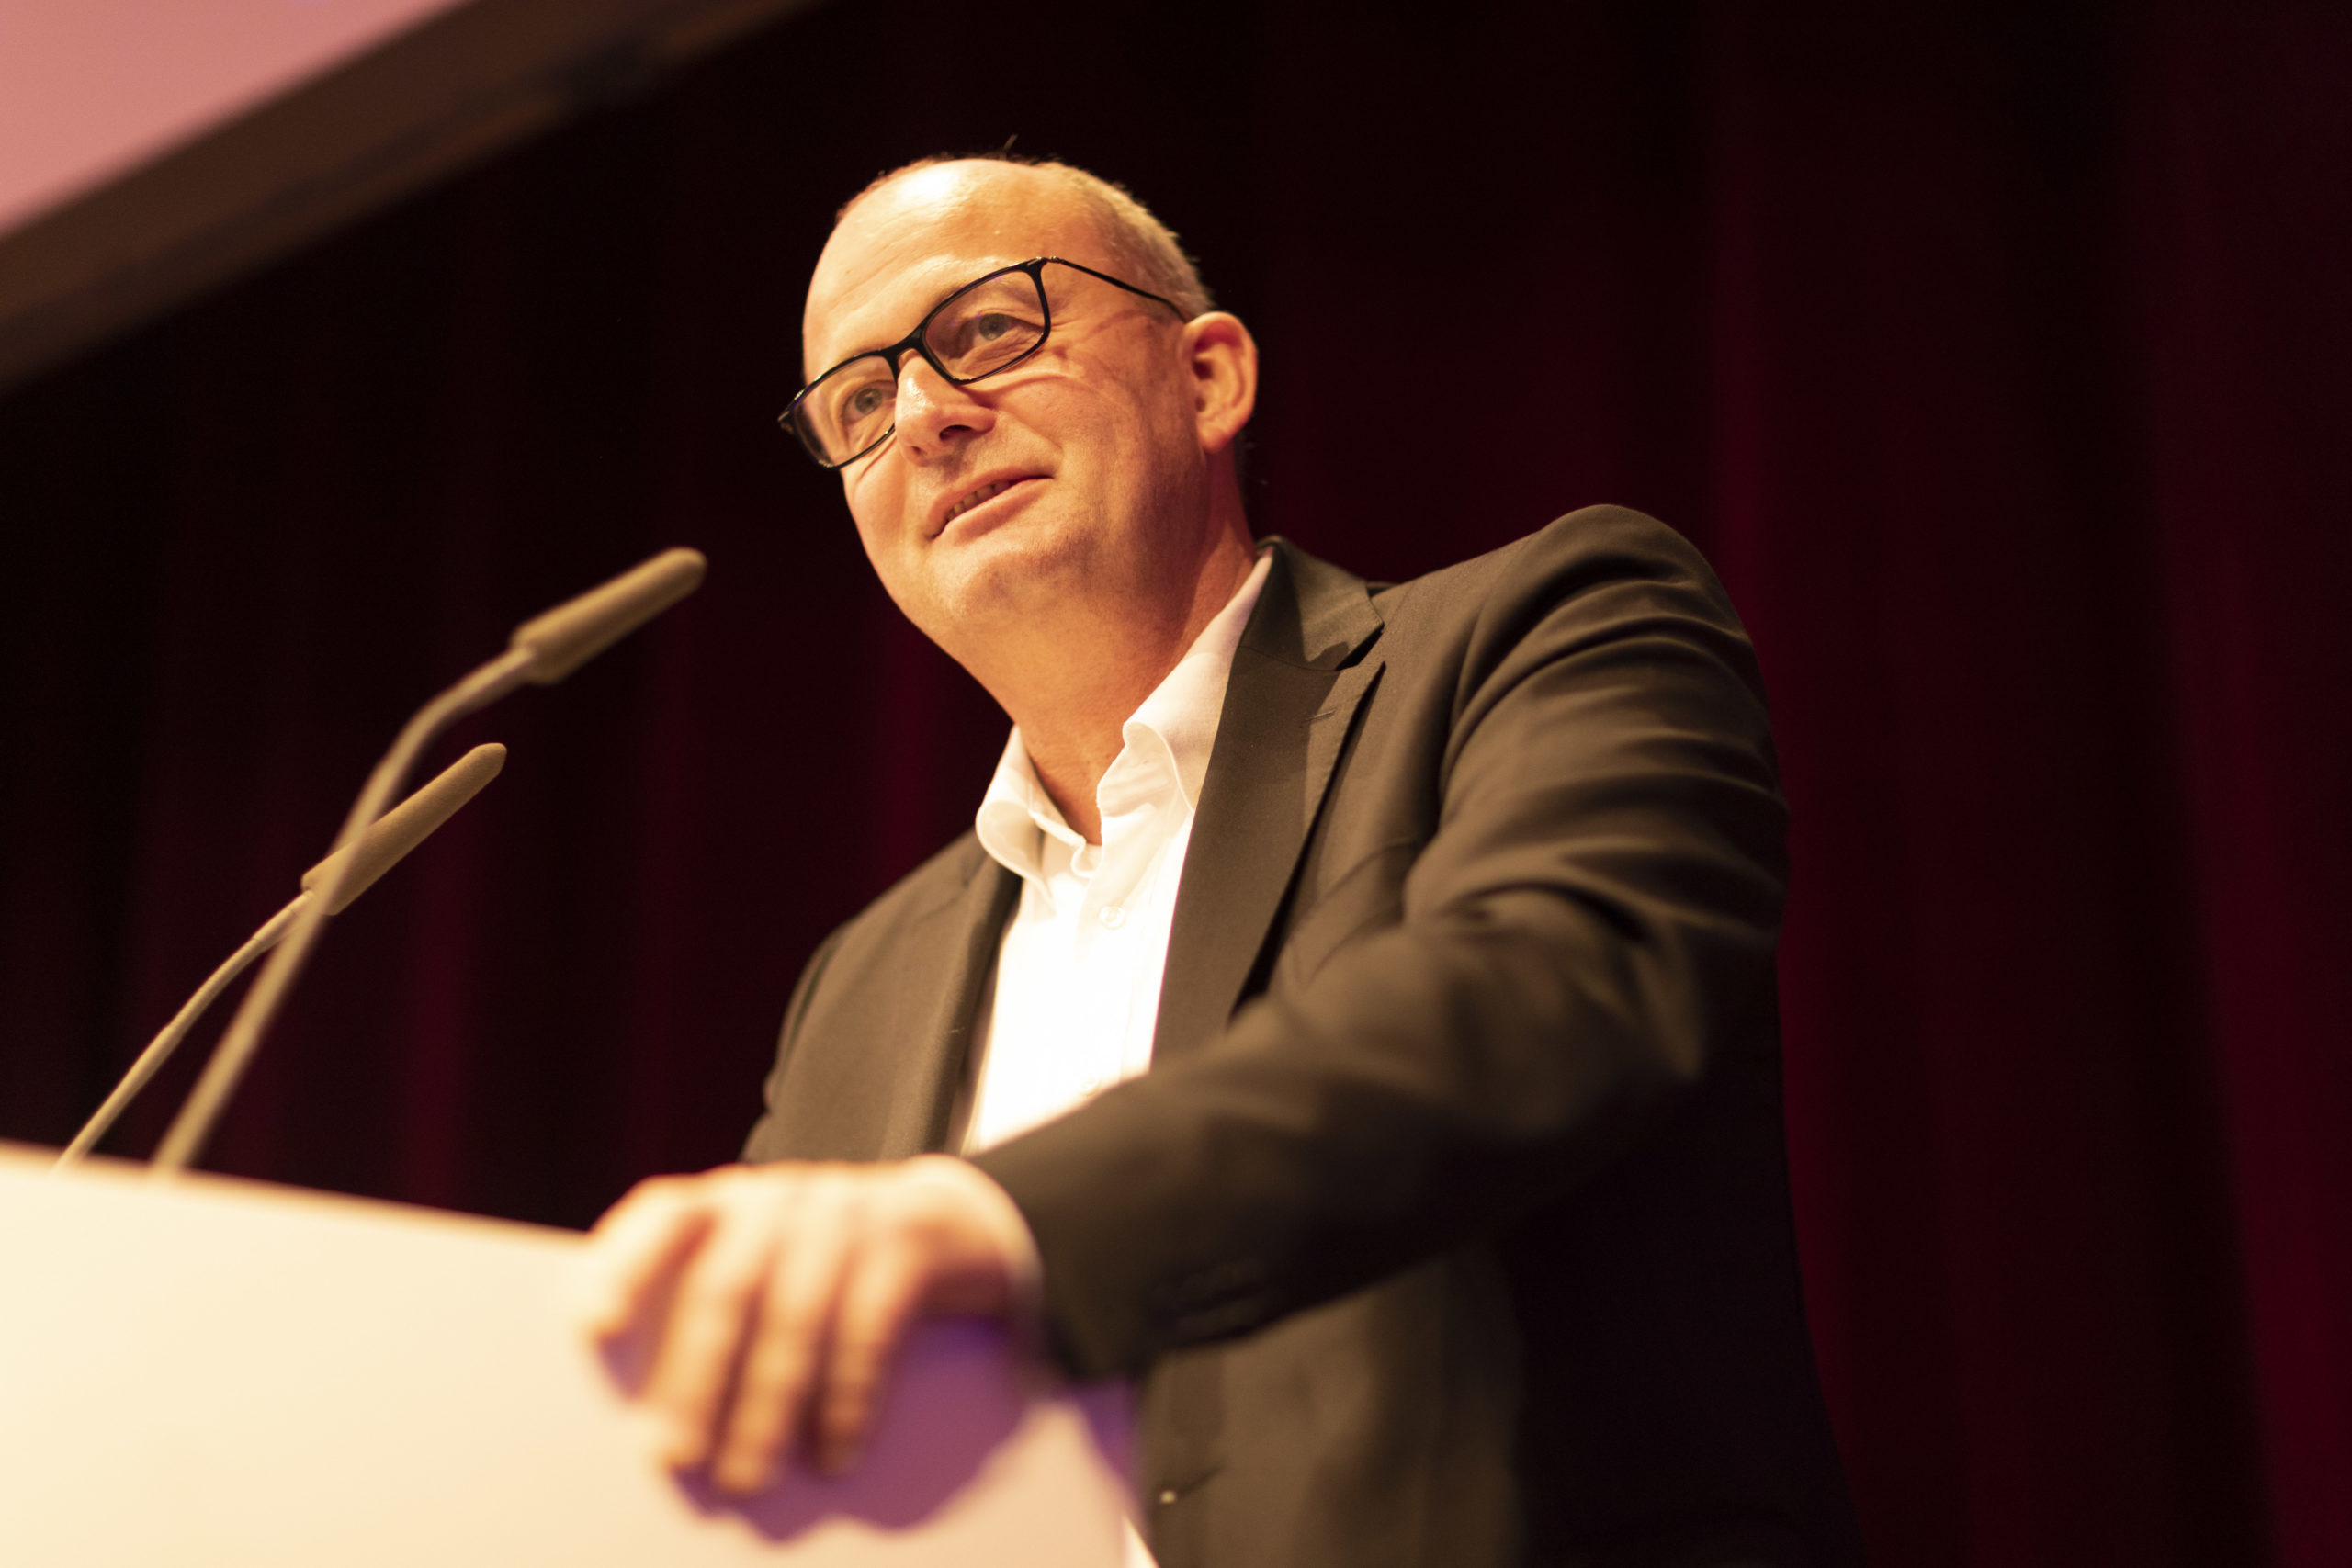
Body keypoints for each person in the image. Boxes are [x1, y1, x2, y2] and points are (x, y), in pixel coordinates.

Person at [581, 153, 1863, 1568]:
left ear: (1209, 378)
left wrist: (995, 1226)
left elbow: (1548, 993)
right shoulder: (861, 983)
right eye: (859, 405)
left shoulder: (1541, 631)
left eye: (987, 330)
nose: (927, 417)